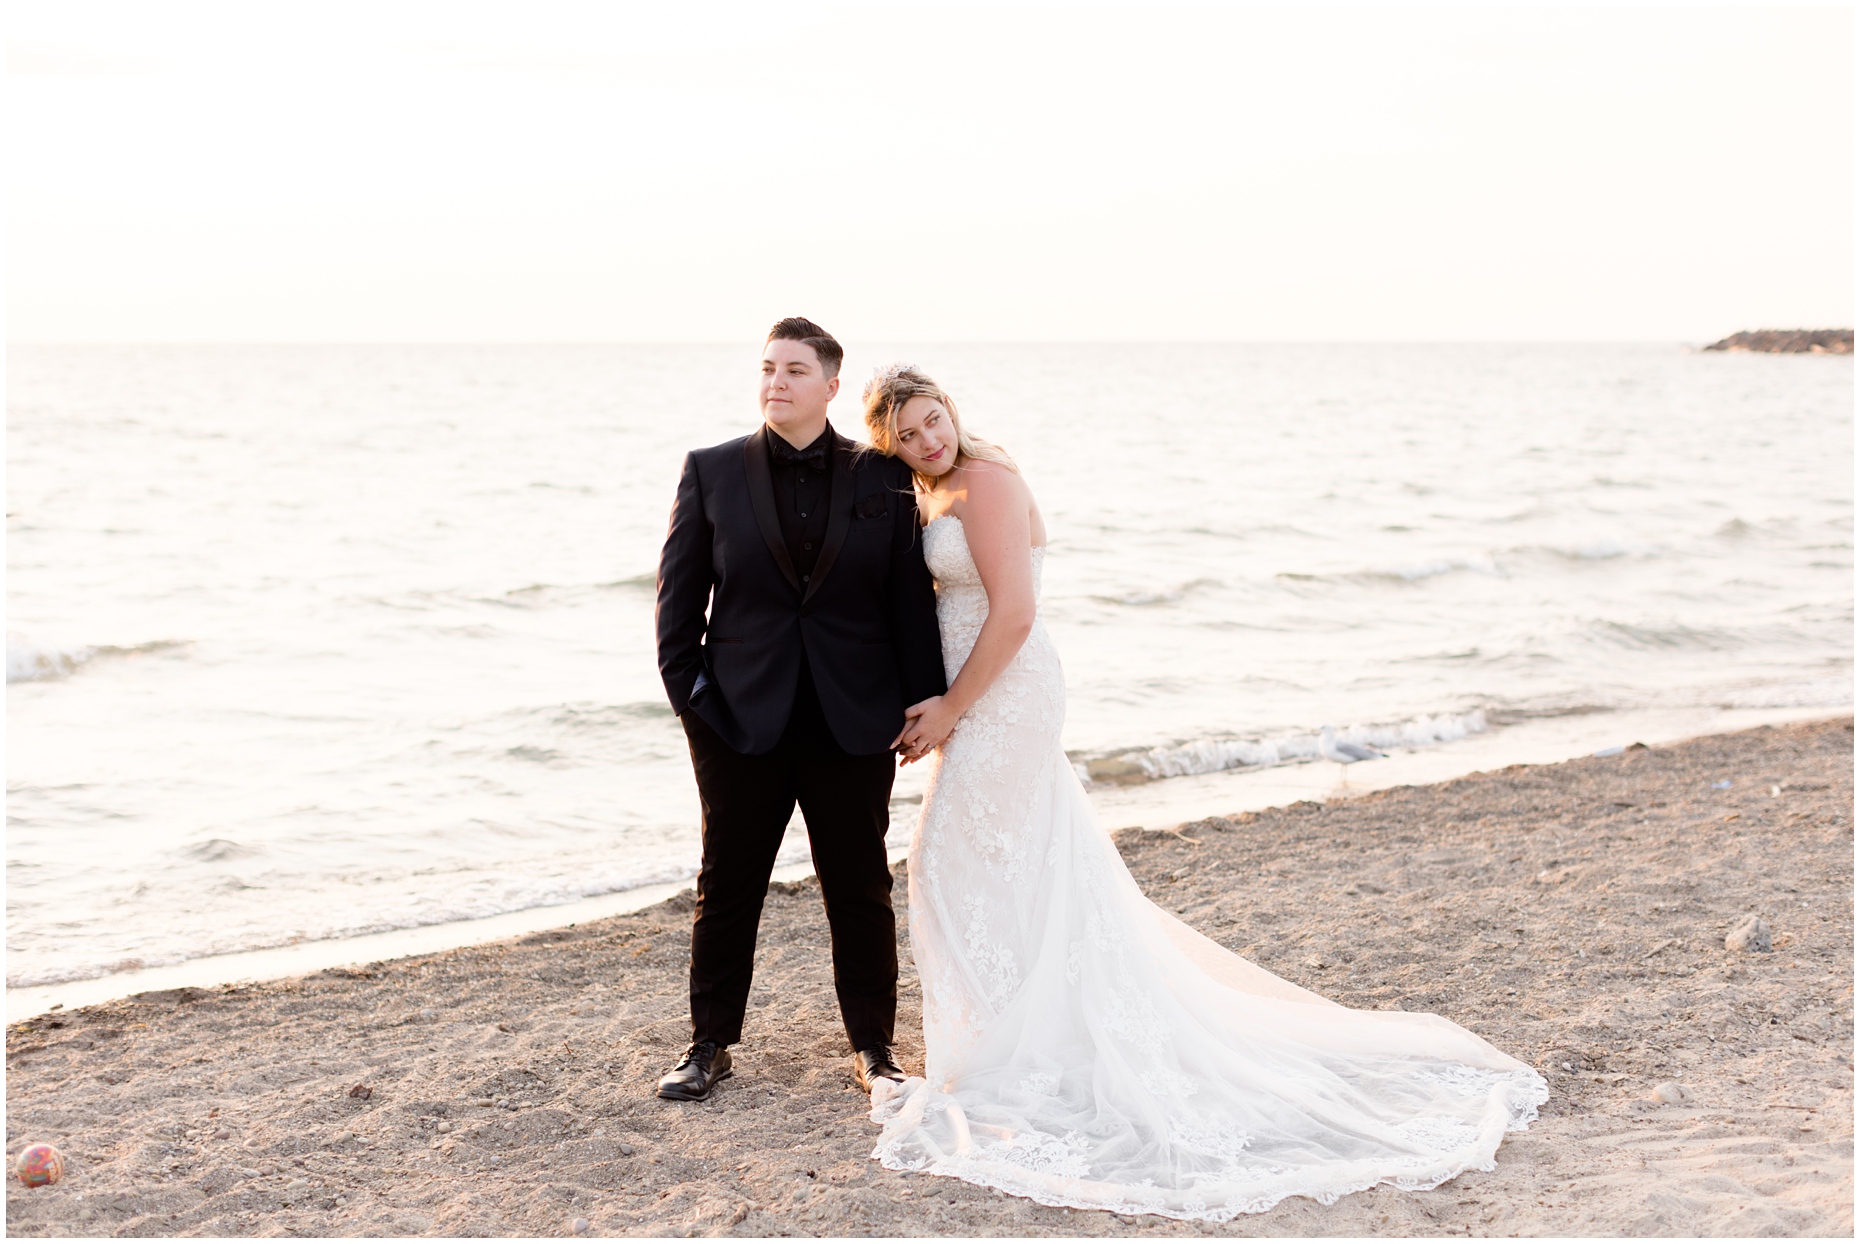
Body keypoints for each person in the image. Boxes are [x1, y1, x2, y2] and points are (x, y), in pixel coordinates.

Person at [860, 362, 1548, 1221]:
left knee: (947, 858)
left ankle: (1007, 1046)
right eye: (909, 436)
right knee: (1007, 861)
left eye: (933, 419)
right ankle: (1017, 1033)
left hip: (1005, 692)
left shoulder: (988, 479)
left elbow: (1016, 613)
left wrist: (955, 707)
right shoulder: (935, 488)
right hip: (982, 693)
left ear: (951, 407)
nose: (929, 439)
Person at [652, 320, 945, 1101]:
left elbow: (908, 606)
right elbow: (677, 618)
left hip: (854, 723)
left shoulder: (881, 475)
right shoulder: (710, 471)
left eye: (794, 370)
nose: (776, 382)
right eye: (768, 368)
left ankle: (875, 1050)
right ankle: (708, 1043)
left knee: (858, 886)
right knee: (728, 883)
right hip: (740, 726)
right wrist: (699, 713)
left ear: (830, 386)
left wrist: (924, 704)